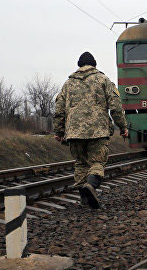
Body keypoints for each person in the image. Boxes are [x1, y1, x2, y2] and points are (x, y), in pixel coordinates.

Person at [54, 52, 128, 209]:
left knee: (81, 163)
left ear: (79, 65)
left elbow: (59, 109)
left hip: (74, 132)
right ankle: (91, 186)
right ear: (94, 65)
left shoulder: (68, 84)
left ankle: (85, 197)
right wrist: (123, 127)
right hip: (98, 131)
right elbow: (115, 106)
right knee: (97, 161)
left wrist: (59, 131)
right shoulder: (103, 80)